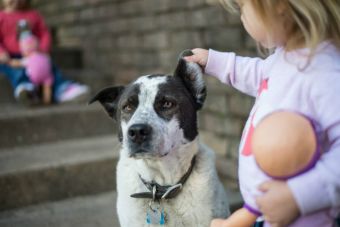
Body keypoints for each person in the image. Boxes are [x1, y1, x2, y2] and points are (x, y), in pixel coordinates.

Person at [184, 0, 340, 226]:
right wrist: (214, 61)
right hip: (268, 214)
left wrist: (298, 196)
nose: (241, 18)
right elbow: (257, 74)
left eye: (241, 8)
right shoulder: (284, 57)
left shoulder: (326, 73)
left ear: (278, 5)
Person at [0, 0, 89, 106]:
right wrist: (1, 52)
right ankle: (25, 88)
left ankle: (61, 88)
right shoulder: (1, 17)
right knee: (16, 70)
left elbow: (44, 33)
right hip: (11, 57)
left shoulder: (33, 15)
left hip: (35, 55)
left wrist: (43, 49)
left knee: (50, 67)